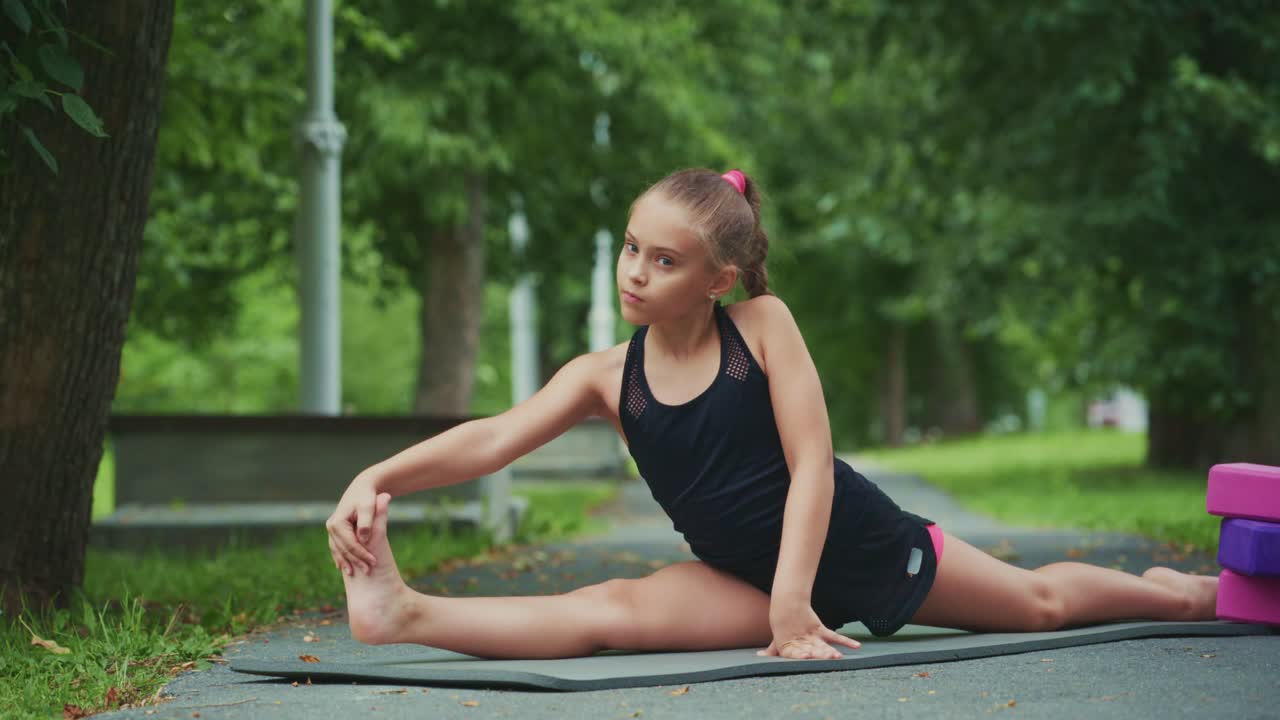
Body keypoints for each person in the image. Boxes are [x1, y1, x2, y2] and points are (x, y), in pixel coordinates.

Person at [325, 168, 1219, 661]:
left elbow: (813, 463)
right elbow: (491, 438)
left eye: (664, 261)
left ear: (717, 280)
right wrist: (377, 474)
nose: (635, 271)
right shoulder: (606, 376)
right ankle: (401, 612)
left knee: (1043, 602)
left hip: (856, 544)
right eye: (632, 249)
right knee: (607, 612)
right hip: (743, 579)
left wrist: (797, 601)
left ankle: (1181, 598)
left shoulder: (762, 327)